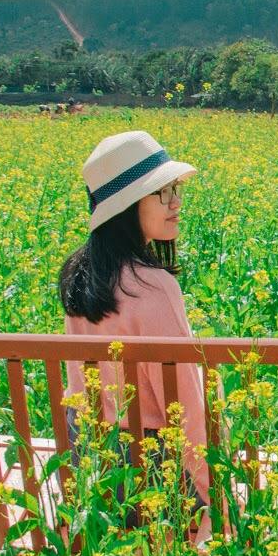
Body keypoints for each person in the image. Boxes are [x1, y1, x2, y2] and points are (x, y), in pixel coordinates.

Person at [59, 130, 211, 530]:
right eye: (162, 192)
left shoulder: (80, 275)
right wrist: (216, 496)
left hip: (94, 471)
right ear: (127, 206)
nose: (176, 202)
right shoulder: (151, 286)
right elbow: (185, 403)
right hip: (151, 477)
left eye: (175, 188)